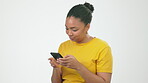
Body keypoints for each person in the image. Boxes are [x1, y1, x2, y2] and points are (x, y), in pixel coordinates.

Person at [48, 2, 113, 83]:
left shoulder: (102, 47)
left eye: (74, 30)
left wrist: (78, 66)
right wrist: (56, 68)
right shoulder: (63, 46)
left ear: (87, 27)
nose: (69, 33)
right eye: (67, 28)